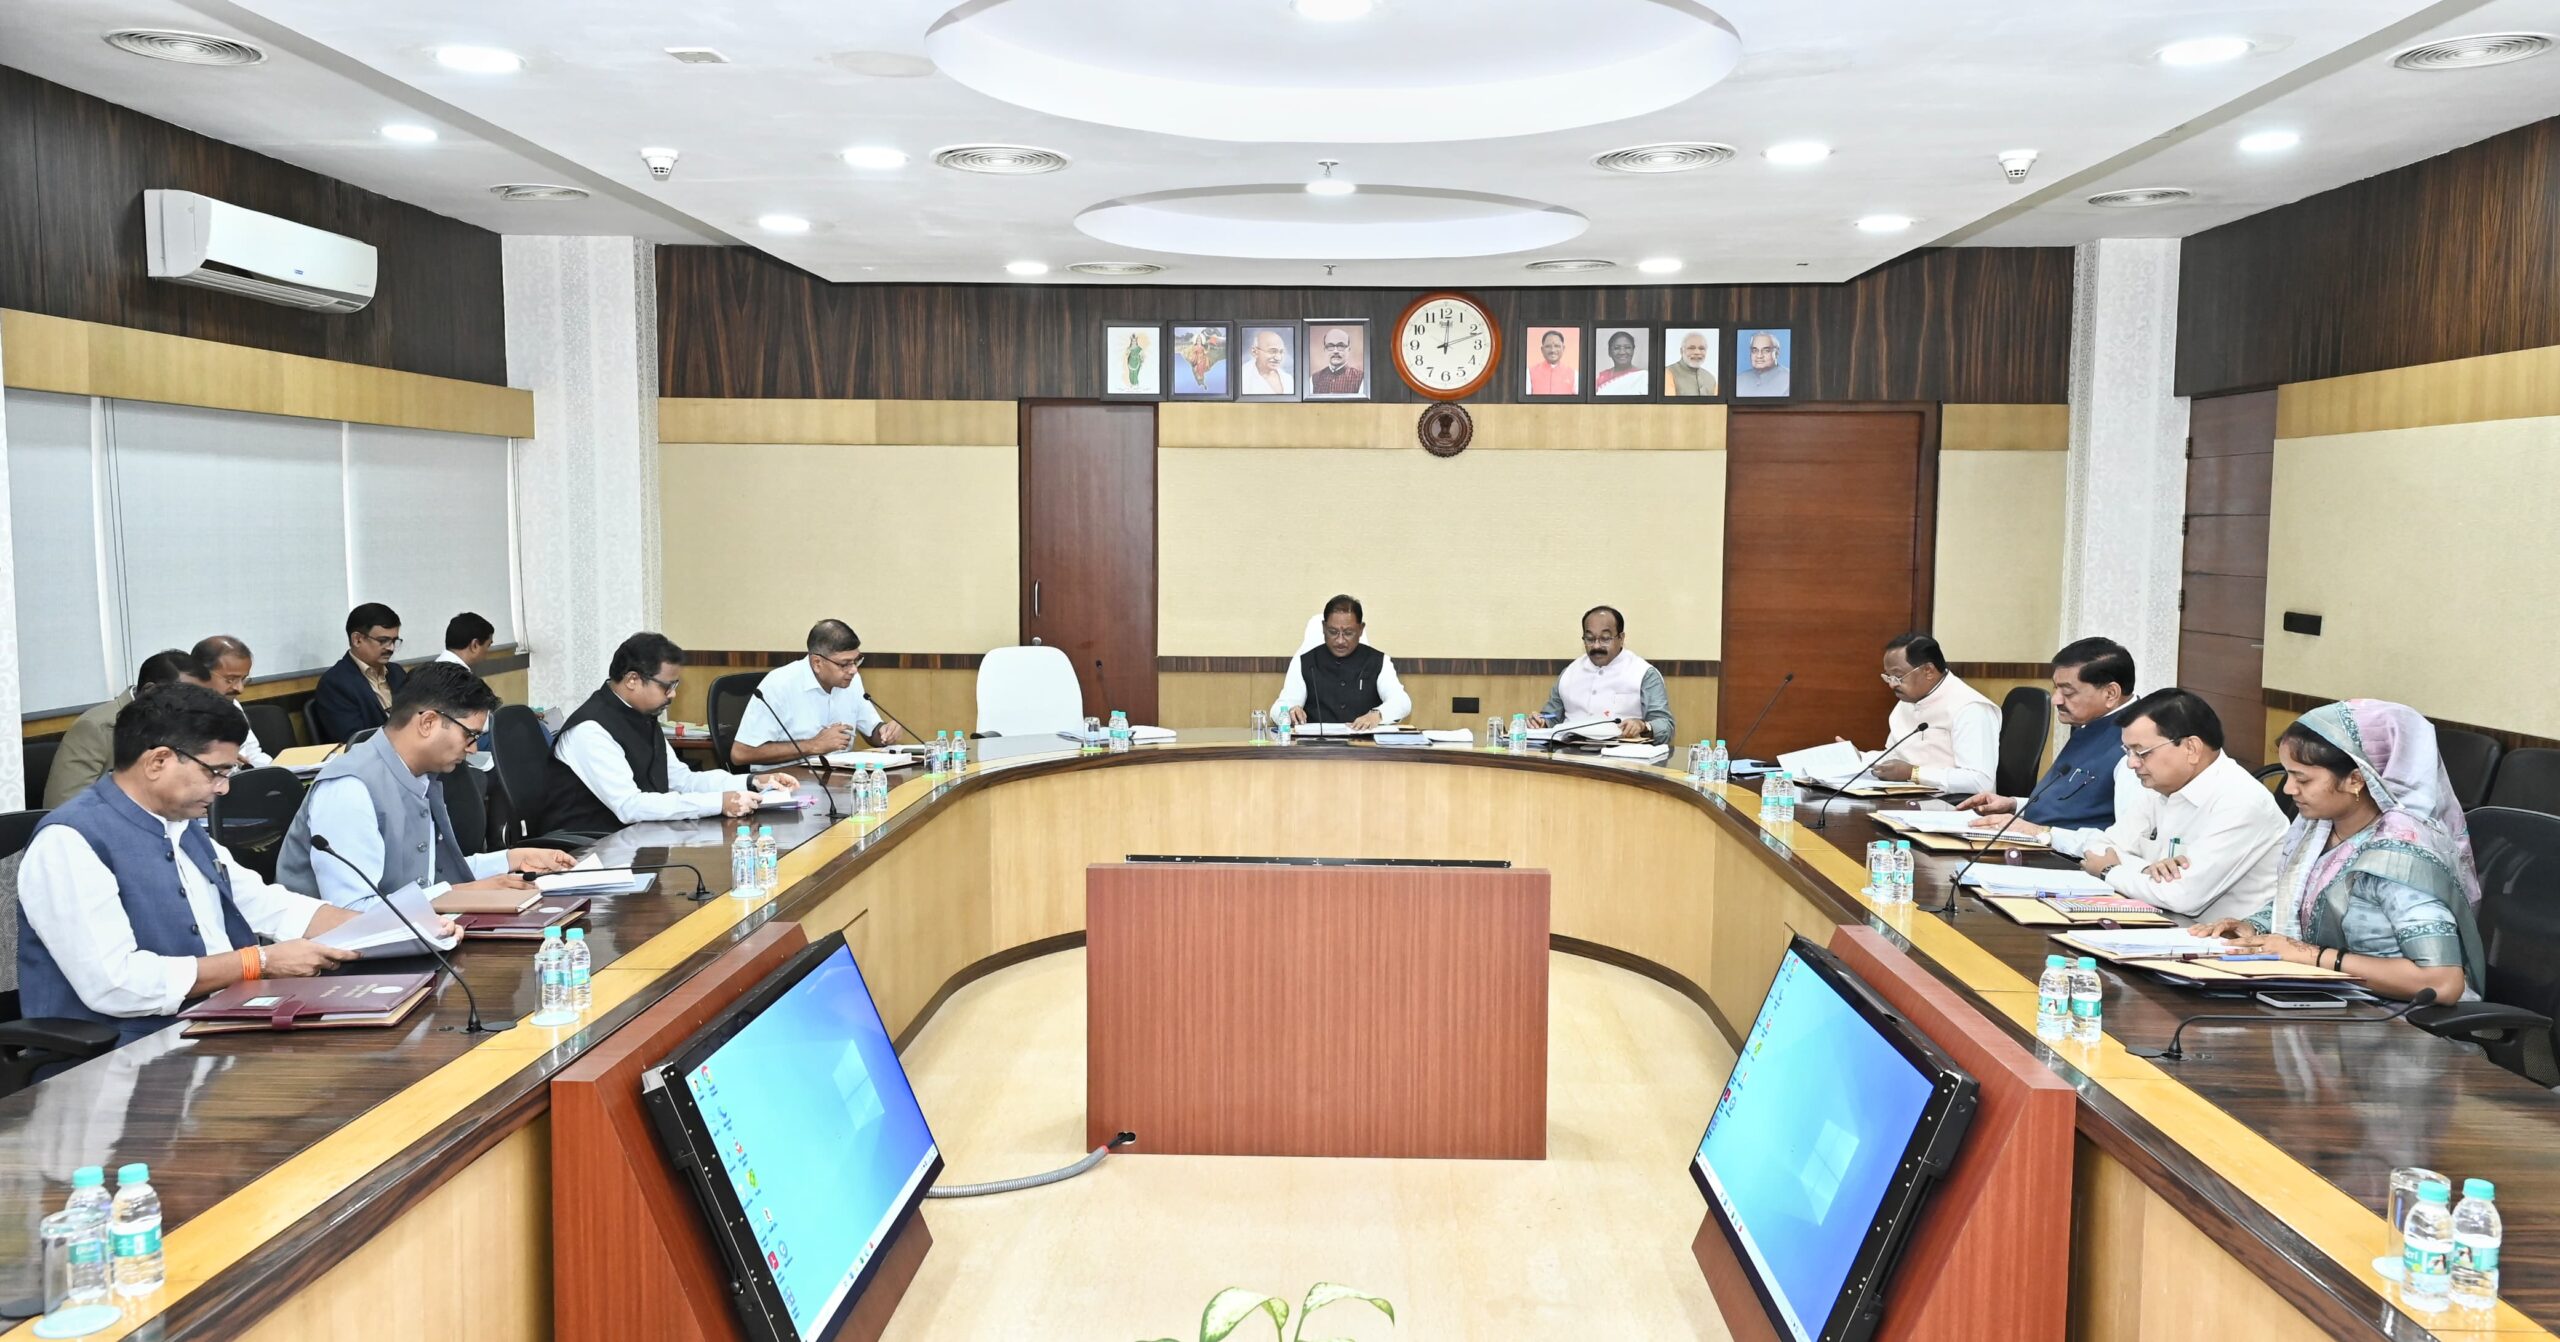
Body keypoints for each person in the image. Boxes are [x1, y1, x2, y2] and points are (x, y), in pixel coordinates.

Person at [15, 685, 366, 1046]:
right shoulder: (70, 841)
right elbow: (117, 984)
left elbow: (264, 904)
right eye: (216, 772)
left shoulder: (181, 826)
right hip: (127, 1054)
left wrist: (379, 929)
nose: (223, 788)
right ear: (158, 761)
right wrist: (258, 962)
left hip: (219, 1027)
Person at [2193, 701, 2483, 1002]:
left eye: (2302, 779)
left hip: (2394, 1015)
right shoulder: (2317, 830)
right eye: (2288, 775)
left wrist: (2311, 956)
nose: (2289, 789)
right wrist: (2253, 928)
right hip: (2332, 998)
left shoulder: (2401, 856)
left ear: (2356, 779)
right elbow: (2303, 904)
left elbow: (2442, 983)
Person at [277, 664, 576, 909]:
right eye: (470, 735)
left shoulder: (421, 776)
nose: (473, 749)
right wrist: (466, 894)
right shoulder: (350, 788)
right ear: (428, 723)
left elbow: (429, 876)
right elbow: (352, 911)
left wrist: (512, 859)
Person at [2045, 688, 2286, 923]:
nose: (2131, 763)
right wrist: (2146, 869)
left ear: (2191, 748)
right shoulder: (2160, 786)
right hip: (2155, 922)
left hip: (2219, 941)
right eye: (2128, 751)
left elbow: (2182, 897)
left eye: (2142, 752)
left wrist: (2110, 871)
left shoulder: (2242, 802)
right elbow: (2100, 848)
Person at [545, 632, 797, 832]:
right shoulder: (590, 729)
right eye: (667, 686)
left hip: (637, 837)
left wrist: (751, 782)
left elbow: (682, 781)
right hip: (590, 850)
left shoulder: (642, 716)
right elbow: (629, 806)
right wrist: (717, 803)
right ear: (632, 680)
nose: (673, 694)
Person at [1956, 637, 2137, 833]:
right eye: (2056, 688)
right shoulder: (2091, 723)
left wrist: (2040, 832)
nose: (2056, 700)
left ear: (2110, 694)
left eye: (2068, 692)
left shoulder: (2135, 745)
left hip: (2062, 850)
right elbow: (2072, 804)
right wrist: (2014, 805)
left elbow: (2125, 839)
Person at [44, 650, 212, 809]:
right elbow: (65, 806)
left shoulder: (181, 723)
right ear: (150, 691)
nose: (194, 710)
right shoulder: (95, 728)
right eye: (186, 699)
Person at [732, 619, 907, 767]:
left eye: (856, 661)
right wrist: (813, 745)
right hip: (786, 784)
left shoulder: (851, 681)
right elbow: (741, 754)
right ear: (817, 663)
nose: (853, 670)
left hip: (839, 779)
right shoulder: (780, 684)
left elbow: (872, 732)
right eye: (844, 664)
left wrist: (885, 732)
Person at [1867, 634, 1999, 794]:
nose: (1892, 685)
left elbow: (1980, 781)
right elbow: (1894, 757)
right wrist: (1855, 757)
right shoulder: (1908, 701)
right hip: (1910, 796)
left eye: (1898, 677)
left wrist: (1914, 773)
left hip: (1953, 802)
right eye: (1889, 677)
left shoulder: (1970, 708)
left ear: (1928, 671)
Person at [1529, 606, 1673, 742]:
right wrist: (1541, 721)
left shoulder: (1644, 674)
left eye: (1605, 638)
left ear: (1621, 638)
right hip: (1567, 753)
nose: (1596, 646)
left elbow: (1665, 725)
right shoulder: (1569, 673)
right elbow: (1552, 716)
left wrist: (1643, 726)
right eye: (1590, 639)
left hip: (1621, 754)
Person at [1273, 595, 1411, 729]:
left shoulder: (1379, 661)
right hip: (1317, 743)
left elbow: (1402, 702)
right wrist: (1290, 711)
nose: (1340, 640)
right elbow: (1278, 709)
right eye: (1333, 632)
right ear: (1323, 627)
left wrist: (1377, 715)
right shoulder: (1304, 662)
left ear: (1361, 629)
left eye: (1348, 633)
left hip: (1365, 743)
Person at [312, 602, 408, 743]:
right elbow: (353, 740)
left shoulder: (396, 672)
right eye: (383, 641)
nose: (391, 648)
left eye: (394, 641)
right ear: (357, 640)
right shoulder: (335, 683)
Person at [190, 635, 272, 768]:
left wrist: (277, 771)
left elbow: (252, 753)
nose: (240, 689)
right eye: (230, 679)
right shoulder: (182, 713)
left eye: (243, 679)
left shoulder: (231, 703)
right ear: (200, 674)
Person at [1308, 327, 1363, 396]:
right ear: (1325, 350)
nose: (1335, 351)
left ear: (1349, 349)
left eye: (1341, 346)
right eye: (1330, 346)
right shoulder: (1314, 379)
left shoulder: (1361, 378)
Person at [1241, 328, 1293, 395]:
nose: (1278, 358)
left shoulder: (1288, 379)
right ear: (1255, 352)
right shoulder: (1243, 376)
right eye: (1272, 351)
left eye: (1281, 352)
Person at [1736, 331, 1788, 397]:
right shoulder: (1739, 380)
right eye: (1755, 350)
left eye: (1766, 351)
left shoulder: (1789, 380)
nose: (1759, 356)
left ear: (1776, 353)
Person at [1666, 330, 1717, 397]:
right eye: (1691, 348)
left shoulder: (1710, 379)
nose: (1697, 352)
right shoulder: (1668, 373)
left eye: (1701, 348)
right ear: (1681, 351)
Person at [1594, 330, 1645, 395]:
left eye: (1627, 347)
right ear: (1609, 352)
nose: (1622, 352)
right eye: (1617, 348)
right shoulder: (1602, 377)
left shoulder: (1643, 376)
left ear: (1633, 350)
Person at [1528, 329, 1577, 395]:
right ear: (1542, 349)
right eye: (1548, 346)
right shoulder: (1529, 373)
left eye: (1557, 346)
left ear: (1563, 348)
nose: (1552, 350)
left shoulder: (1574, 374)